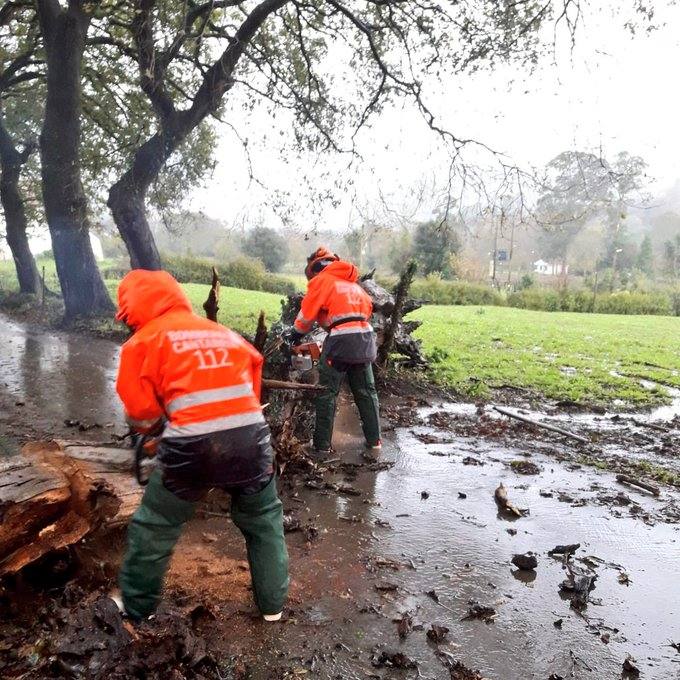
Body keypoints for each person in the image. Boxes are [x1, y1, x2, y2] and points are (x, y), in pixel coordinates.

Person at [114, 269, 288, 622]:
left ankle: (137, 606)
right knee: (263, 517)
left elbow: (141, 411)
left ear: (132, 311)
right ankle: (273, 607)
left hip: (191, 446)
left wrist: (152, 442)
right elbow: (253, 379)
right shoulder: (227, 336)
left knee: (157, 522)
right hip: (251, 440)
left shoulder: (142, 342)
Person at [285, 247, 381, 456]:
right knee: (366, 392)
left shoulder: (322, 281)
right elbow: (366, 309)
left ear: (314, 269)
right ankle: (375, 441)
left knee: (326, 392)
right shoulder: (351, 284)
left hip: (340, 342)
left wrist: (294, 335)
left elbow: (306, 316)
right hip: (365, 339)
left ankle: (321, 446)